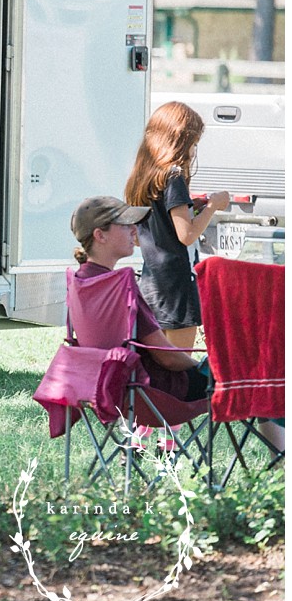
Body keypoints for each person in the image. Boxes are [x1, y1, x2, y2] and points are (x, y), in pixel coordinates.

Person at [70, 195, 208, 403]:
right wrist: (204, 367)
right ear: (100, 235)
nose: (134, 230)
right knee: (248, 381)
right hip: (148, 388)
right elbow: (167, 358)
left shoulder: (80, 280)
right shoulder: (119, 286)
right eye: (125, 225)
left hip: (100, 385)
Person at [123, 101, 230, 350]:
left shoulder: (143, 176)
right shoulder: (174, 177)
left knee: (156, 361)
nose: (194, 151)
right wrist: (213, 206)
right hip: (177, 284)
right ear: (179, 141)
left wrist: (191, 208)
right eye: (193, 143)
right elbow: (186, 235)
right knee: (181, 362)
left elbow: (139, 236)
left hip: (151, 282)